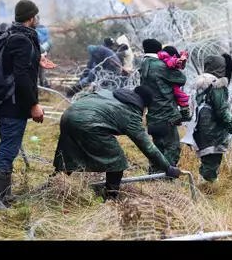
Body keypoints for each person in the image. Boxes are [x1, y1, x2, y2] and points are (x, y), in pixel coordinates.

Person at [52, 86, 182, 200]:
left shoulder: (110, 93)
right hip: (90, 124)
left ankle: (54, 185)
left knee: (68, 153)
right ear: (144, 106)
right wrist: (167, 168)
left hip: (68, 115)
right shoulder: (131, 113)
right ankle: (111, 198)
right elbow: (148, 147)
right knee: (117, 160)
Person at [0, 0, 45, 210]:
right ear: (32, 17)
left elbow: (18, 66)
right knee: (8, 149)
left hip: (9, 102)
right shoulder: (22, 40)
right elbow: (22, 76)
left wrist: (37, 59)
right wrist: (34, 104)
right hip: (13, 104)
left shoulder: (16, 35)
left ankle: (4, 195)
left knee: (11, 147)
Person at [191, 54, 232, 182]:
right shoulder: (217, 85)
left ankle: (203, 184)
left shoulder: (201, 84)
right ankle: (208, 188)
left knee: (206, 158)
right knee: (212, 160)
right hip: (213, 128)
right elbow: (221, 111)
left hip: (200, 125)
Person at [139, 39, 187, 171]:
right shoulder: (160, 66)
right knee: (172, 149)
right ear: (159, 50)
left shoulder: (143, 64)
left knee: (157, 148)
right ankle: (166, 178)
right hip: (166, 115)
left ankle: (154, 175)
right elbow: (181, 79)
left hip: (153, 114)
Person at [157, 46, 191, 122]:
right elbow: (171, 63)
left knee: (178, 97)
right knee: (181, 96)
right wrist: (177, 60)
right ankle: (185, 113)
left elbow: (181, 66)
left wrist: (182, 60)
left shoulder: (161, 59)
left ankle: (180, 115)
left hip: (168, 83)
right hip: (171, 84)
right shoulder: (168, 59)